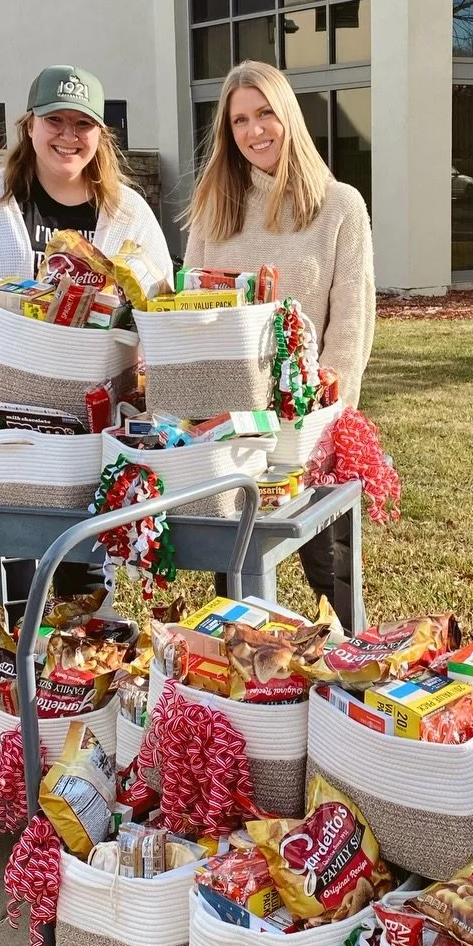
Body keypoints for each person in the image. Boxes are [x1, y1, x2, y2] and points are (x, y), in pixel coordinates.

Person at [0, 65, 173, 609]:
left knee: (81, 562)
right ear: (29, 126)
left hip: (88, 422)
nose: (67, 135)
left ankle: (76, 676)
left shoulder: (127, 213)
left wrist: (138, 394)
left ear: (100, 135)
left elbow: (159, 305)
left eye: (82, 124)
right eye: (54, 120)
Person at [185, 59, 375, 607]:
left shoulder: (340, 205)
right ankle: (240, 681)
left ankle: (346, 667)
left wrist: (330, 418)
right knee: (235, 568)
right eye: (239, 120)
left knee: (330, 568)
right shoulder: (211, 209)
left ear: (288, 116)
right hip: (228, 420)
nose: (253, 131)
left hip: (309, 419)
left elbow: (353, 321)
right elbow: (190, 309)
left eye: (265, 113)